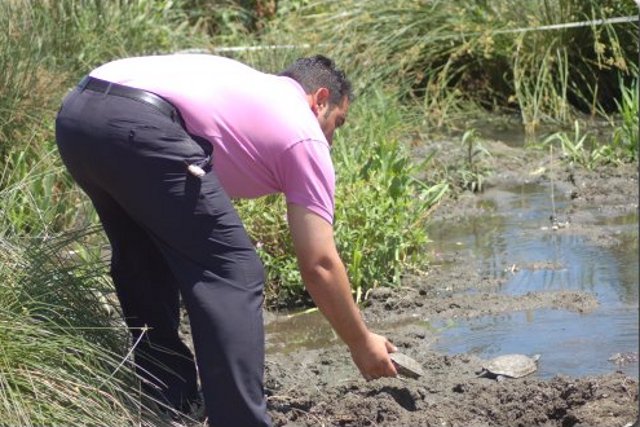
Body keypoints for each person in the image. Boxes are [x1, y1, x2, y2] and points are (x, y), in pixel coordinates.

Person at [55, 53, 397, 427]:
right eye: (338, 123)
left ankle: (165, 400)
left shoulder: (254, 91)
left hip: (78, 113)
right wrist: (361, 343)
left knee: (144, 257)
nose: (331, 140)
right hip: (139, 122)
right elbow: (319, 264)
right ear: (319, 100)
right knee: (235, 272)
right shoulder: (304, 133)